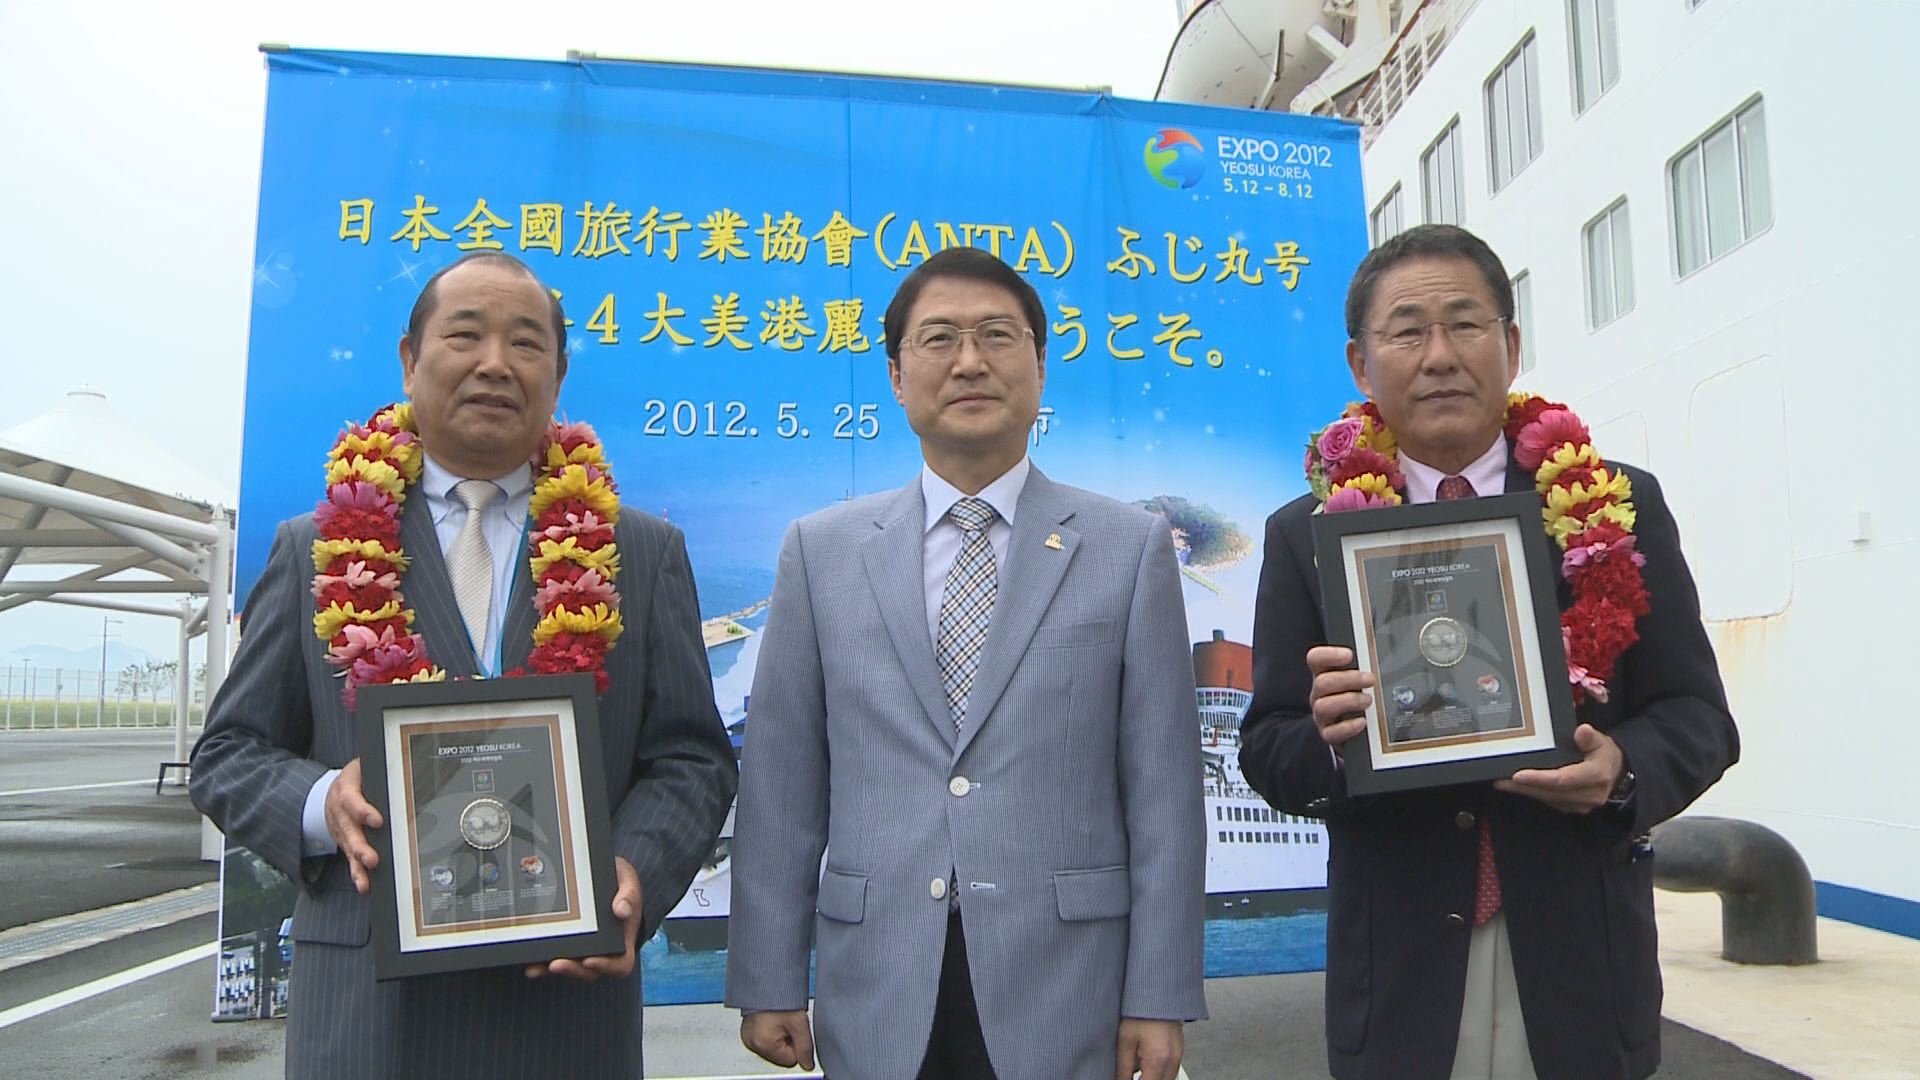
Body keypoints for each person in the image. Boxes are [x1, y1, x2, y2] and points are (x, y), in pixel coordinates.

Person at [190, 252, 737, 1078]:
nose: (494, 363)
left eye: (526, 343)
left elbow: (692, 757)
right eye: (466, 335)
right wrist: (321, 800)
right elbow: (229, 755)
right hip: (369, 1023)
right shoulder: (312, 550)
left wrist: (630, 872)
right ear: (411, 360)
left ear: (557, 374)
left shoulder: (641, 552)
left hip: (567, 1016)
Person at [1240, 225, 1739, 1080]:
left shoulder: (1617, 505)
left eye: (1465, 324)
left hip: (1581, 955)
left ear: (1509, 346)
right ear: (1362, 365)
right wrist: (1330, 741)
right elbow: (1268, 746)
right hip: (1402, 967)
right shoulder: (1307, 535)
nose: (1439, 355)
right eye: (1407, 331)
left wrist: (1621, 767)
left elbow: (1699, 718)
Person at [723, 247, 1207, 1080]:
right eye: (940, 338)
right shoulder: (821, 551)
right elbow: (782, 783)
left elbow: (1164, 791)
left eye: (997, 335)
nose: (970, 361)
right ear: (897, 375)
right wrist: (766, 974)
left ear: (1041, 366)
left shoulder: (1127, 550)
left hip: (1065, 987)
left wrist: (1157, 993)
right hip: (878, 980)